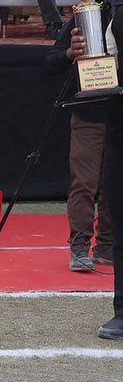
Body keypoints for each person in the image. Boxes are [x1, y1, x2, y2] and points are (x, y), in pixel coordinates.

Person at [46, 22, 113, 272]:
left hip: (116, 114)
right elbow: (51, 62)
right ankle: (80, 245)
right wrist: (70, 53)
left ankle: (108, 246)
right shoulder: (85, 16)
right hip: (89, 114)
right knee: (84, 182)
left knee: (115, 184)